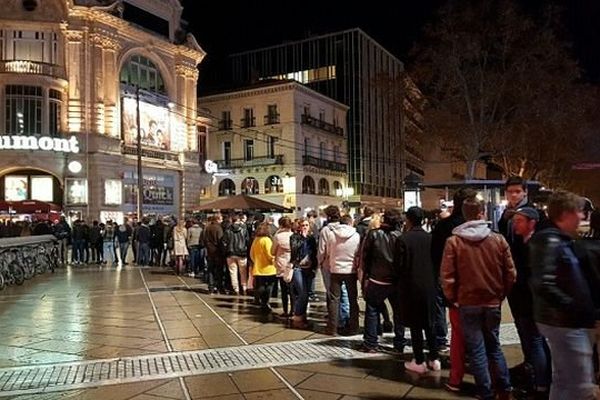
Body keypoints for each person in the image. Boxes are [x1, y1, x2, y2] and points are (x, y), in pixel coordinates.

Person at [441, 195, 516, 400]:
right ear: (482, 213)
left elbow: (447, 276)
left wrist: (453, 298)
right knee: (494, 346)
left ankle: (485, 391)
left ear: (464, 215)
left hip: (467, 302)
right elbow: (511, 273)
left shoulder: (454, 241)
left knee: (476, 350)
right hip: (492, 301)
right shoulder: (498, 240)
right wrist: (501, 294)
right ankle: (505, 388)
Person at [529, 191, 597, 400]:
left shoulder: (556, 239)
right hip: (565, 323)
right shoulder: (550, 240)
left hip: (562, 321)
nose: (582, 217)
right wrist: (575, 307)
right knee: (580, 384)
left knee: (563, 380)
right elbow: (543, 283)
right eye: (579, 212)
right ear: (566, 214)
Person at [507, 207, 551, 397]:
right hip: (522, 302)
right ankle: (539, 379)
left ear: (532, 223)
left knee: (534, 342)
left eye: (519, 221)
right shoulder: (520, 241)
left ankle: (541, 386)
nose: (515, 224)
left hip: (531, 303)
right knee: (534, 342)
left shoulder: (537, 244)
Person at [430, 187, 477, 351]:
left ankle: (441, 339)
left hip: (445, 275)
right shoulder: (479, 228)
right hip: (471, 278)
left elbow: (434, 252)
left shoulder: (444, 226)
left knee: (443, 309)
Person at [358, 208, 406, 353]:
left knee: (372, 309)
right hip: (395, 280)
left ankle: (371, 343)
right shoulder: (401, 236)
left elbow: (365, 257)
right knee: (398, 312)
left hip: (377, 278)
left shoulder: (373, 234)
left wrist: (364, 277)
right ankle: (399, 343)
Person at [400, 207, 440, 373]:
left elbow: (400, 266)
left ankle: (418, 360)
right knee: (430, 323)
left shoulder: (404, 239)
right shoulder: (431, 238)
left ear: (408, 220)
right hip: (430, 285)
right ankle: (434, 357)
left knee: (416, 325)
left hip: (411, 286)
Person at [318, 205, 360, 336]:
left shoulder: (331, 235)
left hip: (335, 269)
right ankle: (353, 327)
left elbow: (327, 252)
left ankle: (333, 328)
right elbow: (358, 253)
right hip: (351, 271)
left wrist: (323, 263)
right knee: (353, 299)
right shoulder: (356, 235)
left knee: (334, 299)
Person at [289, 217, 318, 329]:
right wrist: (303, 237)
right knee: (302, 293)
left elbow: (314, 252)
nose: (305, 227)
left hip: (309, 268)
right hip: (298, 267)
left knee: (307, 294)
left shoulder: (311, 238)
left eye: (306, 225)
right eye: (303, 225)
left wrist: (315, 267)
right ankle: (297, 316)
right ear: (299, 227)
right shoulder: (294, 237)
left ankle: (302, 315)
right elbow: (294, 249)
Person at [250, 222, 277, 313]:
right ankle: (265, 302)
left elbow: (251, 254)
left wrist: (255, 261)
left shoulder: (256, 240)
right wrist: (274, 261)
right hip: (269, 268)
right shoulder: (267, 240)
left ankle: (261, 301)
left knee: (260, 285)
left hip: (258, 267)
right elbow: (270, 254)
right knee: (269, 286)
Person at [272, 217, 294, 317]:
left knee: (284, 290)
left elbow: (272, 251)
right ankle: (293, 309)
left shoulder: (278, 237)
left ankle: (285, 310)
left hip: (281, 264)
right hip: (292, 264)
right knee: (293, 289)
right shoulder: (294, 235)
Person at [222, 215, 250, 294]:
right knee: (243, 272)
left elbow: (224, 242)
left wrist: (226, 250)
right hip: (242, 253)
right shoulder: (244, 230)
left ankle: (236, 288)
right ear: (238, 220)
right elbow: (247, 241)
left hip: (230, 253)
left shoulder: (227, 230)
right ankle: (244, 287)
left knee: (233, 272)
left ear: (232, 220)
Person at [205, 214, 225, 293]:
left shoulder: (208, 227)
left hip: (210, 251)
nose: (222, 220)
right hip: (217, 252)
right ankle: (219, 286)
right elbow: (221, 240)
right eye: (221, 219)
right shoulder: (218, 228)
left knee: (210, 270)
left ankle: (211, 287)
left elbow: (205, 239)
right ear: (218, 219)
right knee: (219, 270)